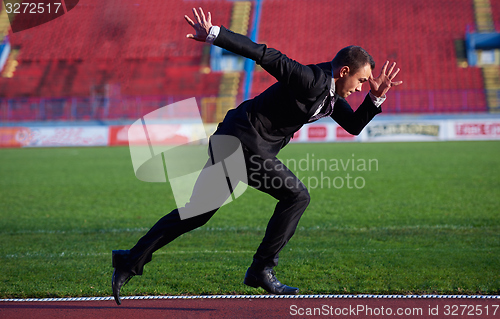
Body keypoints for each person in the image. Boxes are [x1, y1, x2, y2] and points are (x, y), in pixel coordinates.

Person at [111, 7, 403, 305]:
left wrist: (375, 97)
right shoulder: (310, 79)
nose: (360, 87)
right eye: (362, 81)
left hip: (235, 141)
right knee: (297, 196)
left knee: (196, 213)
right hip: (242, 141)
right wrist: (215, 34)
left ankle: (129, 260)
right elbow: (266, 55)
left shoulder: (333, 96)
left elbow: (353, 125)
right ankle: (261, 270)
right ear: (343, 72)